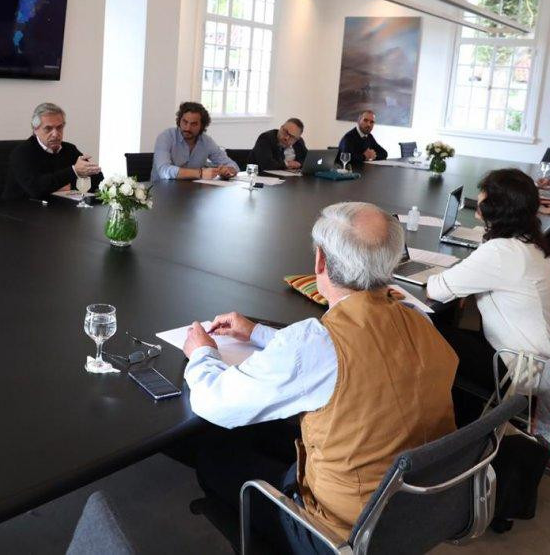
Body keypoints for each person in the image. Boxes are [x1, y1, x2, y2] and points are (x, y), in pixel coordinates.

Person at [183, 202, 457, 549]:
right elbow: (332, 357)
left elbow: (214, 402)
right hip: (414, 507)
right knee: (274, 436)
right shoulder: (420, 321)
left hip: (340, 533)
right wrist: (256, 333)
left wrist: (201, 353)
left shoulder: (317, 344)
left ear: (321, 262)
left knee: (213, 454)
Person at [427, 169, 550, 381]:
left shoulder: (501, 251)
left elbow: (436, 289)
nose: (479, 198)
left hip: (521, 369)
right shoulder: (529, 239)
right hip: (547, 358)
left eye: (483, 193)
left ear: (497, 205)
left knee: (424, 333)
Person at [3, 103, 102, 200]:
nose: (55, 134)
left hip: (59, 208)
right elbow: (36, 189)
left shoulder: (69, 149)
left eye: (59, 127)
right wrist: (74, 172)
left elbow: (98, 180)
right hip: (21, 210)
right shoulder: (22, 153)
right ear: (35, 129)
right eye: (48, 128)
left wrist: (67, 185)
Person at [153, 102, 239, 180]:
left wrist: (227, 171)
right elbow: (164, 171)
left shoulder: (206, 141)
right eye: (185, 122)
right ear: (179, 121)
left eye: (193, 124)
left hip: (192, 191)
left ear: (202, 126)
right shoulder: (166, 137)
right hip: (162, 191)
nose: (187, 128)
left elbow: (232, 165)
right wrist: (200, 173)